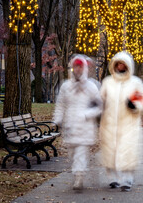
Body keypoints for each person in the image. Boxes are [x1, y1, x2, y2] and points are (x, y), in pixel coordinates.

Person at [99, 51, 143, 192]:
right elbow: (101, 100)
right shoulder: (108, 82)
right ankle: (113, 177)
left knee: (128, 150)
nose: (120, 66)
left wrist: (135, 105)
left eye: (123, 64)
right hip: (109, 123)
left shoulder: (135, 83)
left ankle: (127, 178)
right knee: (110, 151)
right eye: (118, 63)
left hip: (129, 123)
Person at [53, 55, 102, 191]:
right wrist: (57, 119)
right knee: (73, 154)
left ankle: (79, 176)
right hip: (70, 126)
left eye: (81, 66)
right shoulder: (66, 86)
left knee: (80, 153)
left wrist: (87, 115)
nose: (78, 69)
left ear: (84, 68)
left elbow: (99, 106)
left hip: (85, 127)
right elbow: (60, 104)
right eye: (76, 66)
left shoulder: (91, 87)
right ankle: (77, 172)